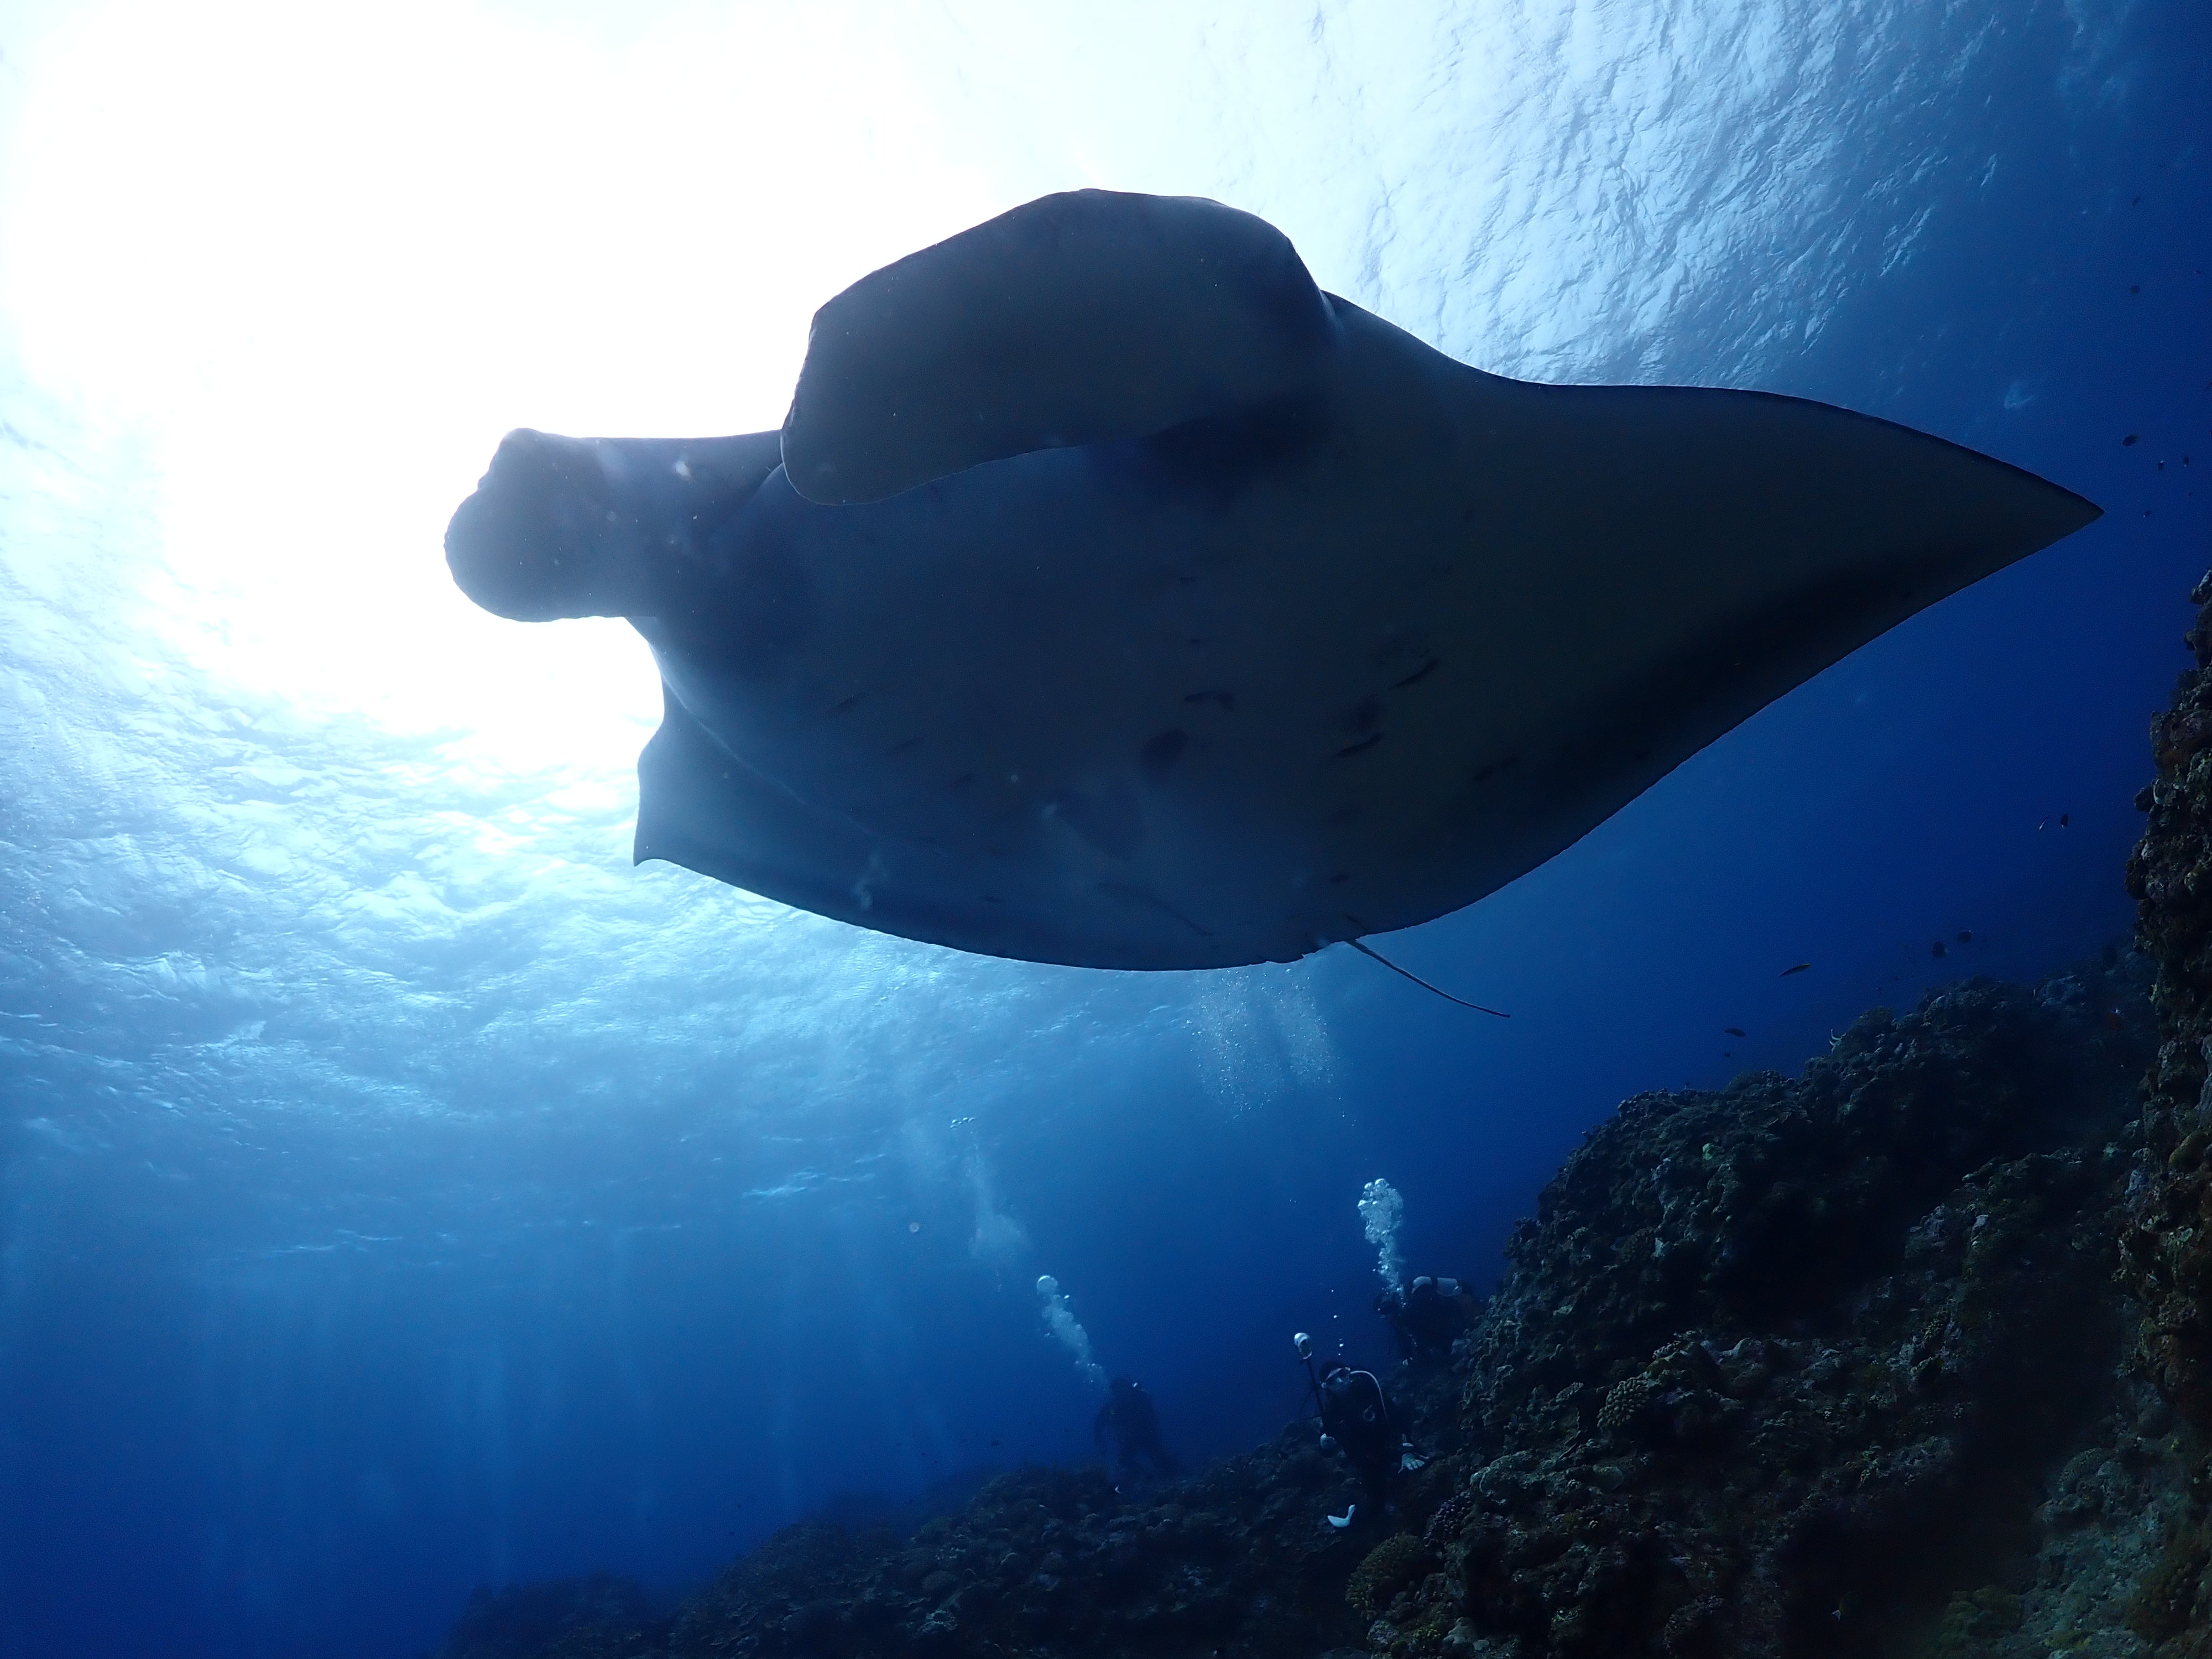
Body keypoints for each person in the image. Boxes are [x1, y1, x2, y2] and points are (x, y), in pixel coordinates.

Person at [1295, 1332, 1422, 1525]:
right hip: (1367, 1461)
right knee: (1375, 1509)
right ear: (1326, 1387)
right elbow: (1330, 1449)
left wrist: (1407, 1449)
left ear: (1350, 1374)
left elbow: (1397, 1417)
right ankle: (1352, 1514)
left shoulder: (1369, 1389)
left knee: (1424, 1468)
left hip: (1392, 1444)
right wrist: (1325, 1446)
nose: (1340, 1382)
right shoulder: (1331, 1411)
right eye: (1331, 1381)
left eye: (1342, 1375)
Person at [1094, 1375, 1180, 1480]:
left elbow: (1151, 1417)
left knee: (1161, 1462)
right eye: (1117, 1390)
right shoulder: (1113, 1406)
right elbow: (1099, 1423)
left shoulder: (1137, 1398)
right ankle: (1146, 1476)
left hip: (1147, 1435)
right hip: (1133, 1438)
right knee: (1124, 1459)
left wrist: (1101, 1439)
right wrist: (1100, 1440)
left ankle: (1176, 1475)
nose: (1120, 1393)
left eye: (1121, 1388)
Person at [1374, 1274, 1479, 1360]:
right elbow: (1410, 1344)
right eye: (1384, 1311)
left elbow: (1450, 1305)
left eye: (1387, 1307)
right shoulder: (1403, 1320)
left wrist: (1458, 1337)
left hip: (1464, 1304)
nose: (1389, 1314)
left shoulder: (1419, 1297)